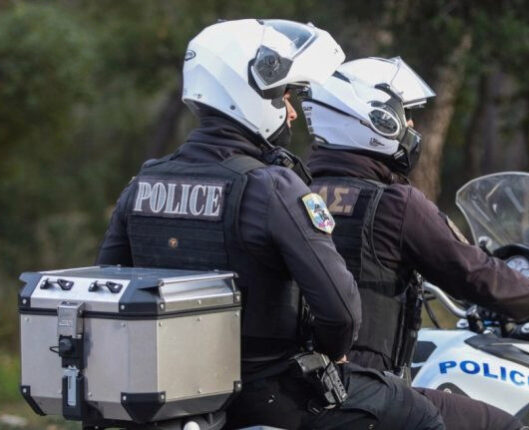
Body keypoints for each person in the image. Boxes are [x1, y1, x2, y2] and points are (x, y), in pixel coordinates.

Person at [97, 21, 443, 430]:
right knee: (420, 414)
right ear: (250, 93)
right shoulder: (271, 187)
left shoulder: (144, 182)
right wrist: (334, 353)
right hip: (268, 393)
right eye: (284, 95)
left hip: (171, 396)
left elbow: (109, 283)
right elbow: (341, 311)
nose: (292, 111)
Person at [301, 57, 529, 430]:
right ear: (376, 120)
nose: (412, 126)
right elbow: (476, 274)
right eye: (404, 115)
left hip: (301, 389)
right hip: (366, 391)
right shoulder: (393, 204)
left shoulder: (294, 189)